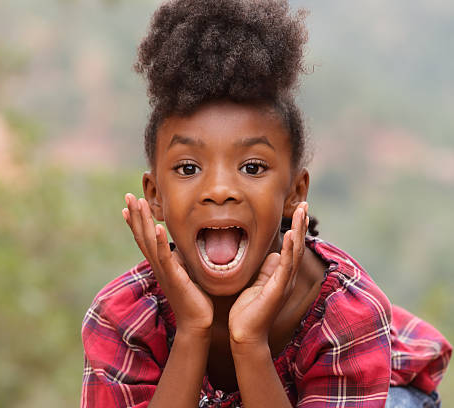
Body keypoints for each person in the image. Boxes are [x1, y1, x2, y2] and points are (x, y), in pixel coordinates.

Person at [81, 0, 452, 406]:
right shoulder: (125, 317)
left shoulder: (346, 313)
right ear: (155, 197)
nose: (220, 190)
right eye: (188, 168)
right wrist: (190, 330)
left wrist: (250, 343)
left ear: (295, 192)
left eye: (253, 167)